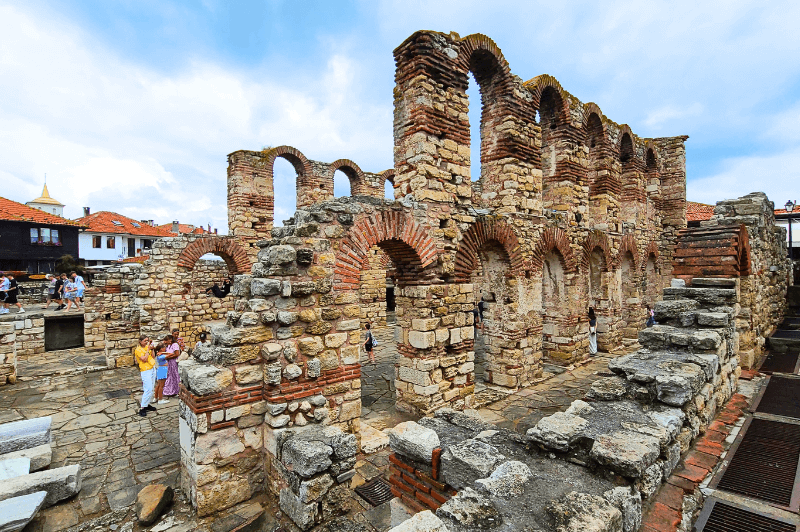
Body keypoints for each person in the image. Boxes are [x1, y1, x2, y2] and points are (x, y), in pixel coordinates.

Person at [135, 335, 157, 417]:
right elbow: (144, 359)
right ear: (140, 341)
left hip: (152, 368)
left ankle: (147, 404)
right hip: (145, 370)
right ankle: (143, 407)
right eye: (145, 341)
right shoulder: (138, 350)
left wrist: (152, 349)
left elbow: (153, 356)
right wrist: (148, 350)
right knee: (148, 389)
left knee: (151, 388)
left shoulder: (148, 347)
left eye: (147, 340)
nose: (146, 342)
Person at [163, 329, 184, 396]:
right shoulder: (169, 345)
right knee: (170, 376)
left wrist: (167, 357)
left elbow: (176, 354)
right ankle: (170, 390)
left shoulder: (175, 345)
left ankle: (178, 390)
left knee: (175, 376)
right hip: (169, 363)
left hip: (174, 362)